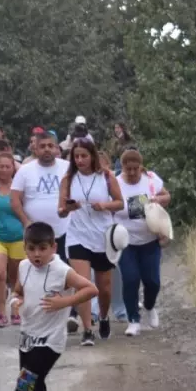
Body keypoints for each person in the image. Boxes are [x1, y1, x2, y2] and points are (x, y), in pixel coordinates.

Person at [10, 221, 99, 391]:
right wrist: (15, 302)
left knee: (26, 383)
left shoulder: (61, 270)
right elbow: (18, 291)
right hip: (27, 337)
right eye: (31, 248)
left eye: (42, 248)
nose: (37, 254)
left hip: (51, 340)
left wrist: (64, 303)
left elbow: (90, 289)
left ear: (53, 247)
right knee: (33, 385)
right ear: (25, 248)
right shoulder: (23, 267)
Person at [59, 139, 124, 345]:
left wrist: (104, 205)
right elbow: (60, 211)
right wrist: (68, 208)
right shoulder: (68, 179)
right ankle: (87, 329)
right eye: (76, 156)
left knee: (103, 288)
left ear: (92, 156)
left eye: (84, 156)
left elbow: (120, 203)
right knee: (84, 285)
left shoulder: (106, 176)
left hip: (102, 236)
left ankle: (103, 316)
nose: (80, 160)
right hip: (77, 236)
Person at [115, 149, 171, 337]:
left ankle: (149, 305)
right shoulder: (115, 183)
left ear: (141, 166)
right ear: (122, 167)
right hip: (126, 242)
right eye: (127, 169)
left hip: (149, 240)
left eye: (135, 169)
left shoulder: (151, 180)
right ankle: (133, 320)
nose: (131, 173)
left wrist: (158, 200)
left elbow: (167, 197)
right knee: (130, 280)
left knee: (152, 281)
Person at [11, 131, 71, 259]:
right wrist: (26, 222)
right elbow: (14, 200)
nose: (47, 149)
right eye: (42, 146)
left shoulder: (68, 168)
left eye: (50, 146)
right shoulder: (25, 170)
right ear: (35, 149)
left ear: (56, 148)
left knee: (64, 274)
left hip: (66, 232)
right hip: (35, 234)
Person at [0, 151, 25, 328]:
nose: (3, 170)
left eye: (7, 166)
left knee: (15, 277)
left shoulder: (20, 188)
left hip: (19, 237)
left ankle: (15, 311)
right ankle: (2, 314)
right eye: (0, 166)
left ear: (13, 168)